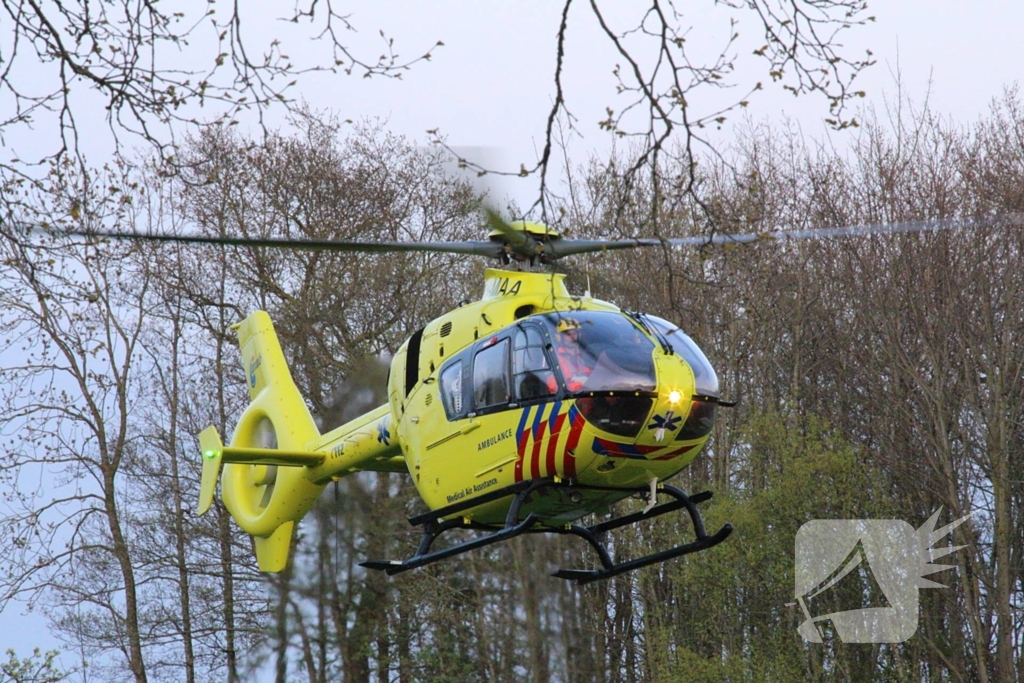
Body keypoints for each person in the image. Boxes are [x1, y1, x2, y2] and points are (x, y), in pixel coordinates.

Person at [554, 318, 592, 392]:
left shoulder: (584, 355)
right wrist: (580, 385)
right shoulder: (554, 356)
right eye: (568, 334)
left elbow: (594, 374)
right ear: (560, 337)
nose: (572, 337)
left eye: (574, 333)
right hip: (568, 396)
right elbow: (553, 384)